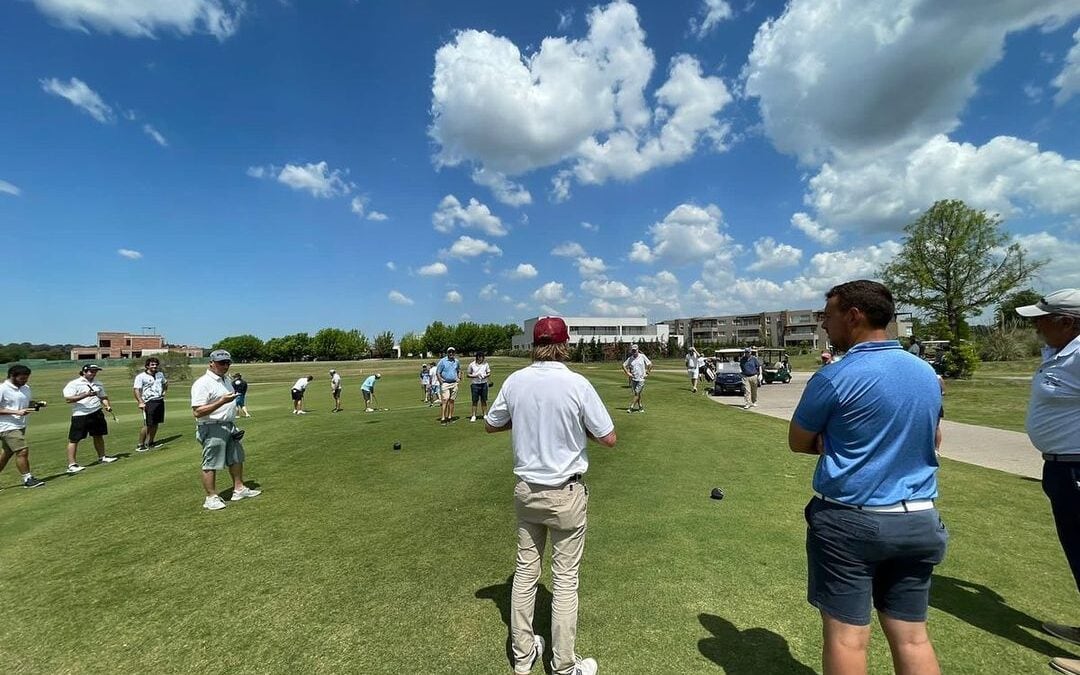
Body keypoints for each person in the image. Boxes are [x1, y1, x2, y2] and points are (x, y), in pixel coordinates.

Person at [789, 280, 946, 675]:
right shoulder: (926, 372)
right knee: (913, 637)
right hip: (919, 519)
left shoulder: (834, 376)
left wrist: (837, 443)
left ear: (853, 316)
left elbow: (798, 440)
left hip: (851, 520)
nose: (826, 325)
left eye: (829, 316)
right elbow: (934, 437)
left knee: (847, 638)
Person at [484, 316, 616, 675]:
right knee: (564, 581)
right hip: (565, 494)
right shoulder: (577, 384)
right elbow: (608, 437)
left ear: (533, 344)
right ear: (565, 344)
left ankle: (523, 655)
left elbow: (491, 423)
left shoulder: (516, 381)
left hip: (527, 493)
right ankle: (562, 664)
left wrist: (522, 420)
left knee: (526, 573)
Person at [1013, 289, 1080, 675]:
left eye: (1042, 318)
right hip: (1061, 468)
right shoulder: (1060, 351)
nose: (1035, 325)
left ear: (1067, 321)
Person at [191, 349, 261, 511]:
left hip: (229, 425)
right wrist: (221, 402)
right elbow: (197, 411)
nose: (225, 366)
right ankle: (211, 497)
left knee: (236, 458)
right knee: (211, 462)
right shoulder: (202, 383)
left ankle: (239, 489)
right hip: (211, 427)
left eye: (228, 362)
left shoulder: (225, 380)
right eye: (221, 363)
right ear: (211, 363)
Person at [62, 364, 118, 473]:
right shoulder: (74, 384)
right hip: (80, 414)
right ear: (84, 372)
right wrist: (86, 395)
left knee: (98, 435)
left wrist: (107, 405)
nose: (93, 373)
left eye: (95, 371)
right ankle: (72, 465)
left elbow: (103, 397)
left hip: (96, 412)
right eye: (91, 371)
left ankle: (102, 457)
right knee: (74, 439)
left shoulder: (98, 383)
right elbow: (68, 399)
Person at [0, 364, 45, 488]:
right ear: (12, 376)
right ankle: (28, 479)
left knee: (6, 454)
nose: (24, 381)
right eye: (22, 379)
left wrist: (36, 403)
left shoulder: (25, 388)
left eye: (26, 378)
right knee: (22, 450)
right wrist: (16, 412)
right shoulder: (2, 388)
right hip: (5, 426)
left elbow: (25, 402)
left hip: (20, 424)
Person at [133, 357, 169, 452]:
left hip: (159, 400)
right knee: (148, 424)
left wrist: (164, 391)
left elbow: (165, 383)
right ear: (147, 366)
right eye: (152, 364)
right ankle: (140, 445)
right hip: (148, 402)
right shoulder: (141, 377)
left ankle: (151, 442)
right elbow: (136, 390)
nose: (155, 366)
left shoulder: (160, 374)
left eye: (156, 364)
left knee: (156, 423)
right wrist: (140, 402)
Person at [622, 343, 652, 413]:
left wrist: (647, 372)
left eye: (635, 350)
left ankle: (631, 407)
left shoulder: (642, 356)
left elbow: (650, 364)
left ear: (638, 350)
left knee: (636, 393)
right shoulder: (630, 358)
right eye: (633, 350)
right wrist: (627, 373)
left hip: (641, 379)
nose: (634, 352)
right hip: (634, 379)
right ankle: (641, 407)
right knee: (637, 394)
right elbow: (623, 365)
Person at [436, 347, 461, 424]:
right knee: (445, 400)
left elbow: (459, 370)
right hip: (445, 383)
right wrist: (441, 381)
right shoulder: (442, 361)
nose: (451, 354)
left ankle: (450, 417)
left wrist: (458, 378)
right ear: (447, 353)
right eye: (449, 352)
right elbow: (438, 372)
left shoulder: (456, 361)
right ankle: (443, 417)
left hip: (454, 383)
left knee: (452, 400)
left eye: (452, 352)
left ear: (454, 353)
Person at [467, 351, 492, 422]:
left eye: (482, 357)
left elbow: (489, 373)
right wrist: (475, 375)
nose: (481, 358)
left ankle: (485, 414)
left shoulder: (486, 364)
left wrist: (485, 376)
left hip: (484, 383)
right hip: (475, 384)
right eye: (480, 357)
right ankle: (473, 415)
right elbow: (468, 374)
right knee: (475, 400)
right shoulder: (472, 364)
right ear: (477, 357)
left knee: (484, 400)